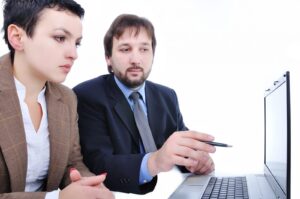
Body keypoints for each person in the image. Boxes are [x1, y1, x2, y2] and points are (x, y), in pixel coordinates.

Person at [73, 14, 216, 194]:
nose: (136, 59)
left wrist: (195, 161)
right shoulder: (87, 96)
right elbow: (98, 164)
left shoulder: (167, 96)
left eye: (144, 49)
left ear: (153, 54)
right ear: (108, 58)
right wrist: (154, 162)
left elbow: (179, 146)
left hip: (170, 190)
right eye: (125, 49)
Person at [0, 0, 114, 198]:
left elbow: (72, 163)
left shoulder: (67, 98)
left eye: (76, 43)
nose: (74, 54)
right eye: (60, 38)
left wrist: (89, 188)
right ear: (17, 37)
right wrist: (56, 198)